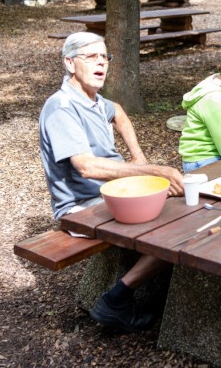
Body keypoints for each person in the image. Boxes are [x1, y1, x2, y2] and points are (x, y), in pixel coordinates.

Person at [39, 32, 185, 333]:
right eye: (91, 57)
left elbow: (117, 111)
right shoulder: (62, 107)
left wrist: (140, 159)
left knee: (186, 208)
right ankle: (116, 299)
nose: (101, 63)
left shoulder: (92, 100)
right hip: (82, 207)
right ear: (69, 63)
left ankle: (161, 289)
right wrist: (151, 172)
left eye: (105, 57)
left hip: (117, 194)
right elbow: (87, 167)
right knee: (177, 227)